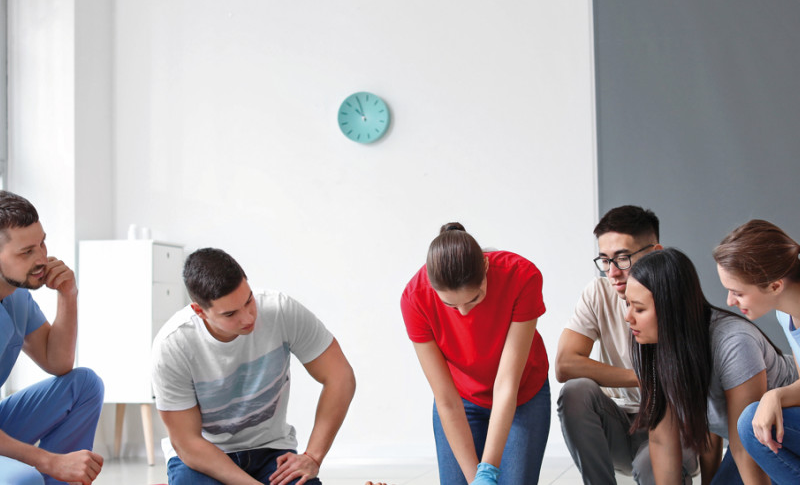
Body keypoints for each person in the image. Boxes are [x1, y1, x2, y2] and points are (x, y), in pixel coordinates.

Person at [152, 247, 356, 485]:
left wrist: (313, 456)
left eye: (249, 300)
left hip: (270, 451)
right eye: (230, 314)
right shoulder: (172, 346)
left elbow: (340, 376)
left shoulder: (280, 310)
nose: (248, 318)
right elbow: (187, 442)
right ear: (200, 311)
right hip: (204, 456)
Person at [625, 247, 797, 485]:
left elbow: (745, 446)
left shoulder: (734, 343)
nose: (628, 317)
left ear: (671, 309)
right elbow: (663, 441)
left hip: (782, 436)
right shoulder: (658, 345)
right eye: (628, 305)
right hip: (758, 440)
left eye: (639, 308)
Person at [556, 204, 697, 484]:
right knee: (575, 391)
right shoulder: (598, 292)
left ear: (656, 252)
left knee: (652, 465)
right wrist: (642, 379)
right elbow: (565, 364)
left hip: (676, 428)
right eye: (605, 260)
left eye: (622, 258)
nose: (612, 272)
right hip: (621, 424)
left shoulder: (681, 297)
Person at [400, 222, 550, 485]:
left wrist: (488, 471)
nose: (465, 312)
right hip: (460, 399)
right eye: (451, 305)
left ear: (486, 267)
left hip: (522, 394)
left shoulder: (521, 276)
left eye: (474, 299)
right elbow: (445, 398)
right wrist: (475, 478)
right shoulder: (415, 298)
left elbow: (506, 384)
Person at [0, 190, 104, 485]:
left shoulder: (16, 296)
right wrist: (50, 461)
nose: (42, 259)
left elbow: (57, 363)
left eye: (42, 243)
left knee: (85, 385)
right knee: (24, 479)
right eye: (26, 252)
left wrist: (68, 295)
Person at [714, 219, 800, 484]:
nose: (729, 301)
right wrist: (776, 396)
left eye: (737, 292)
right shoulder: (787, 316)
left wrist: (776, 395)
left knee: (751, 423)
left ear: (775, 286)